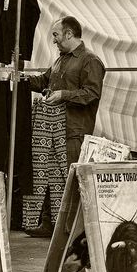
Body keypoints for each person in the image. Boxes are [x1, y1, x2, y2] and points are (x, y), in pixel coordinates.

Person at [27, 16, 106, 166]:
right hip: (53, 132)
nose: (53, 40)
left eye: (56, 35)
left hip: (73, 136)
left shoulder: (91, 60)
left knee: (71, 184)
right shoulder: (61, 60)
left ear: (68, 34)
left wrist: (63, 95)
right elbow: (43, 81)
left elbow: (92, 93)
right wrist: (20, 79)